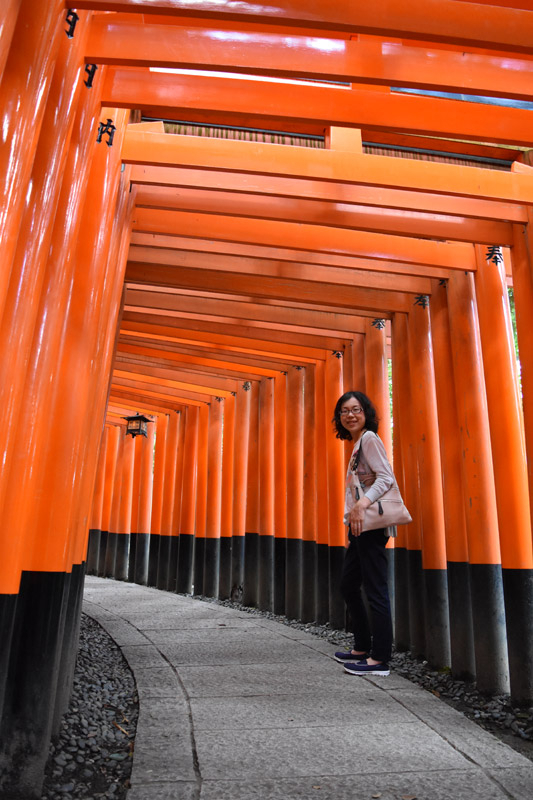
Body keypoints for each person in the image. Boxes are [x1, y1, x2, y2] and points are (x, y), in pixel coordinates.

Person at [332, 390, 396, 677]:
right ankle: (361, 646)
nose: (350, 415)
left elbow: (386, 477)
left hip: (371, 525)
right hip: (359, 525)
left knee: (375, 590)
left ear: (366, 413)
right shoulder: (358, 444)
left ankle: (380, 659)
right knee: (348, 585)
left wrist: (362, 504)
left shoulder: (369, 439)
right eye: (344, 411)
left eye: (356, 409)